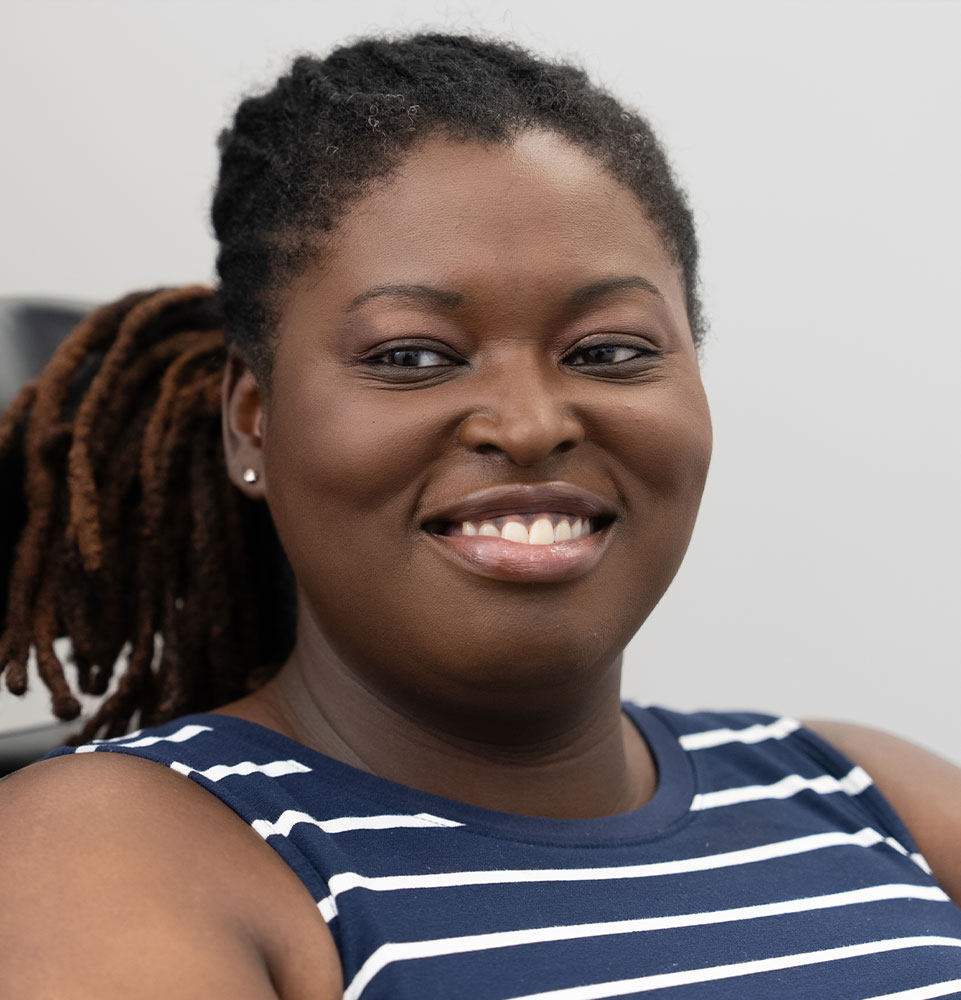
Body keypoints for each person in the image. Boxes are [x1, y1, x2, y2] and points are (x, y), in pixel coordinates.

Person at [0, 32, 959, 999]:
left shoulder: (871, 794)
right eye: (413, 356)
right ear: (254, 422)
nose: (533, 424)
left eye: (609, 350)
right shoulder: (116, 847)